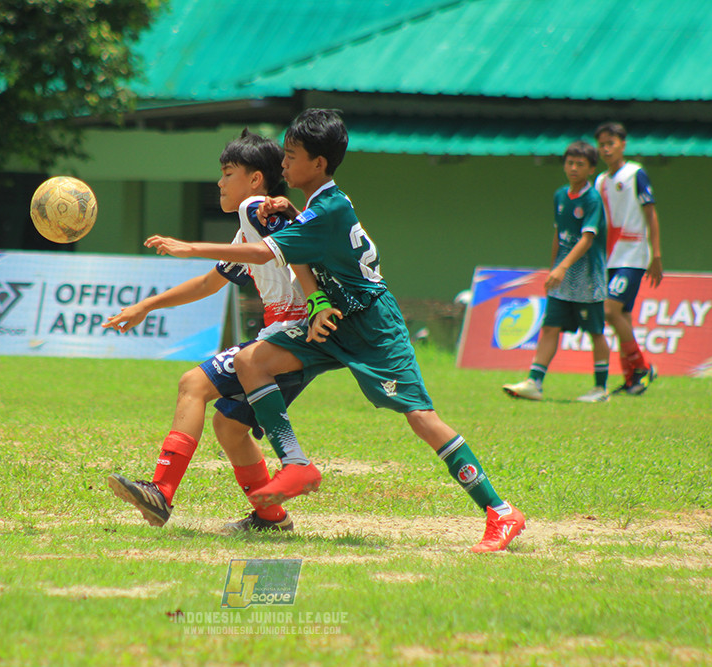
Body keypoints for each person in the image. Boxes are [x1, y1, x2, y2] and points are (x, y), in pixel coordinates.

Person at [146, 109, 525, 553]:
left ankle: (500, 511)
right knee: (252, 360)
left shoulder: (326, 210)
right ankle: (297, 464)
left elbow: (266, 253)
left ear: (319, 163)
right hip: (329, 322)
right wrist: (315, 291)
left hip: (372, 326)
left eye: (291, 156)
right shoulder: (317, 207)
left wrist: (187, 246)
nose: (283, 165)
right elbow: (299, 246)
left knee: (422, 419)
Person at [104, 129, 313, 534]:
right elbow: (207, 285)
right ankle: (271, 517)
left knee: (193, 384)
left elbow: (288, 232)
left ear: (255, 180)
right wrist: (147, 305)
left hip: (289, 337)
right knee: (229, 428)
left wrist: (192, 245)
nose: (219, 182)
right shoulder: (250, 230)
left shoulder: (256, 208)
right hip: (292, 341)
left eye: (227, 172)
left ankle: (161, 492)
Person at [503, 141, 610, 402]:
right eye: (570, 163)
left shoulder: (592, 199)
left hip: (587, 280)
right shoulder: (561, 195)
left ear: (591, 169)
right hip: (562, 279)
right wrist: (553, 268)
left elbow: (586, 239)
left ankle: (600, 388)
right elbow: (558, 234)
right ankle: (534, 383)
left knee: (595, 331)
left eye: (580, 164)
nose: (573, 168)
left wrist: (562, 268)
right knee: (550, 327)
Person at [594, 122, 661, 395]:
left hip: (632, 255)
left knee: (610, 310)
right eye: (602, 144)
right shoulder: (600, 181)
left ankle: (643, 367)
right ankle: (633, 378)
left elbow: (651, 213)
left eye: (611, 143)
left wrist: (655, 253)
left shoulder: (635, 173)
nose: (606, 149)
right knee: (623, 316)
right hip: (609, 256)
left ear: (623, 144)